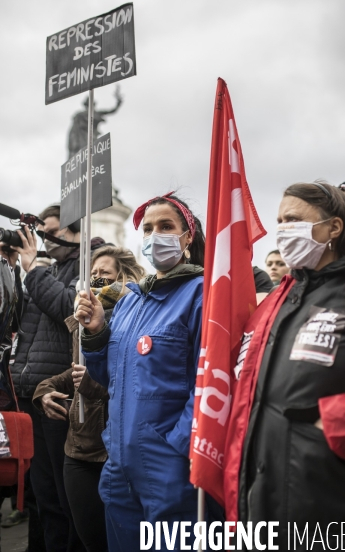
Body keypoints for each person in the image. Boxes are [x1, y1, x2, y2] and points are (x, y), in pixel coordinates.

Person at [224, 182, 345, 551]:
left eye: (294, 219)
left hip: (336, 507)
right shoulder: (278, 298)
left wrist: (331, 422)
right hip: (262, 500)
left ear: (334, 228)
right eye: (279, 221)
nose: (284, 229)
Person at [75, 193, 211, 551]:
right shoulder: (131, 300)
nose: (155, 235)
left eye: (166, 226)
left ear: (187, 237)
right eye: (148, 228)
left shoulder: (202, 294)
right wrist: (96, 332)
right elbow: (110, 378)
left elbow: (209, 383)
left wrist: (176, 448)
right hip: (120, 464)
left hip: (170, 468)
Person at [32, 246, 145, 552]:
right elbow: (74, 372)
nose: (96, 278)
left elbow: (134, 382)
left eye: (104, 273)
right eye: (92, 273)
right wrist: (44, 389)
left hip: (115, 449)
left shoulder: (137, 316)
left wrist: (95, 387)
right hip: (79, 446)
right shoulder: (80, 318)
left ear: (124, 276)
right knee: (85, 536)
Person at [6, 204, 105, 552]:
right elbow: (17, 318)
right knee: (42, 496)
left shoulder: (91, 263)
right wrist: (13, 267)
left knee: (67, 500)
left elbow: (70, 308)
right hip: (32, 392)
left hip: (62, 396)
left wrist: (33, 268)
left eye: (51, 230)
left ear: (77, 232)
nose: (43, 239)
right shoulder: (47, 270)